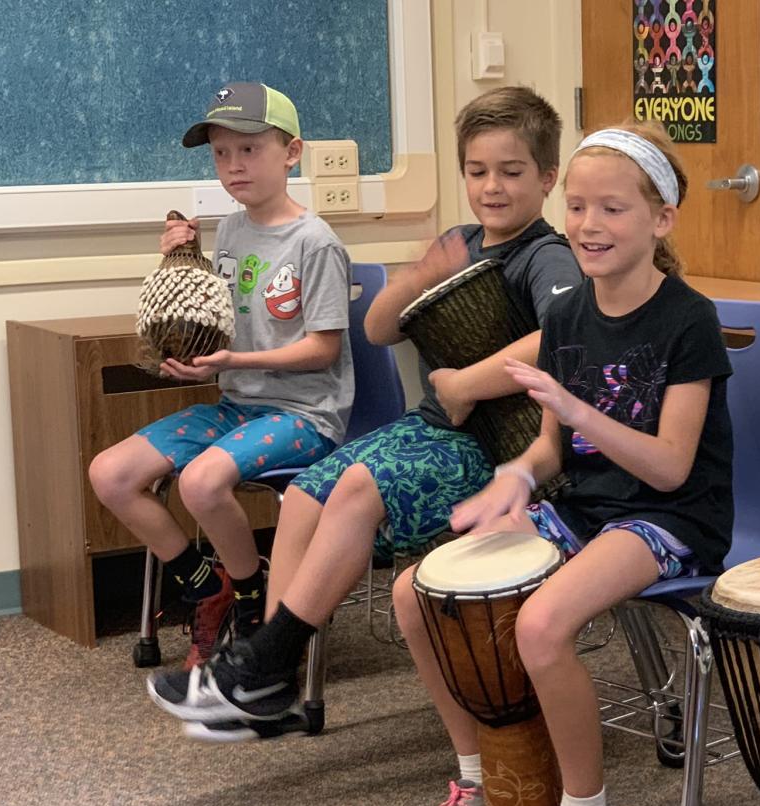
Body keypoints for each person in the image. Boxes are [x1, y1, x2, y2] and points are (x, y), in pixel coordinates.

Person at [145, 86, 582, 739]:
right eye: (476, 171)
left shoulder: (544, 254)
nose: (492, 186)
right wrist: (412, 280)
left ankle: (264, 665)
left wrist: (466, 382)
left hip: (492, 447)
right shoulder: (464, 240)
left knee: (354, 486)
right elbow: (379, 329)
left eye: (512, 172)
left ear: (547, 178)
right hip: (437, 430)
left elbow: (566, 334)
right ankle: (267, 677)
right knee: (302, 496)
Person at [400, 123, 733, 806]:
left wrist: (581, 415)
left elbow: (671, 464)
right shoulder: (569, 314)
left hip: (673, 518)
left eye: (613, 209)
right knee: (418, 596)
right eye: (578, 206)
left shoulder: (689, 321)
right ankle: (482, 783)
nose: (588, 225)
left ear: (662, 217)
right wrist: (515, 479)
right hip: (585, 506)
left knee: (541, 626)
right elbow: (551, 451)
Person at [89, 81, 352, 670]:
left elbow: (324, 350)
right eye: (221, 154)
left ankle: (253, 601)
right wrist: (177, 262)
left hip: (304, 414)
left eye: (249, 150)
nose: (233, 166)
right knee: (110, 474)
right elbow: (211, 321)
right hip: (238, 405)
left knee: (201, 483)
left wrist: (234, 362)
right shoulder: (230, 230)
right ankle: (209, 586)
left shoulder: (316, 243)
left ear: (291, 152)